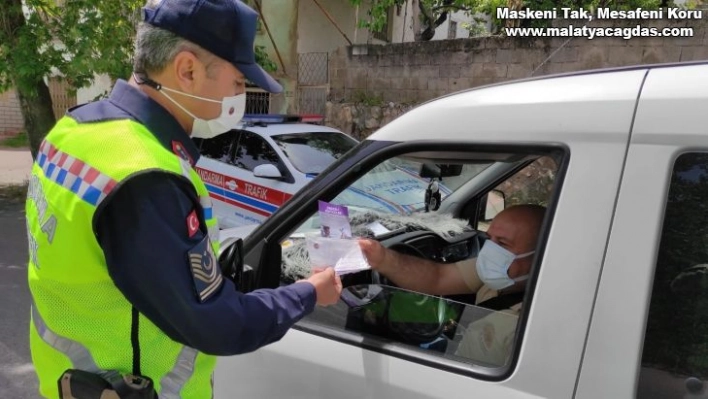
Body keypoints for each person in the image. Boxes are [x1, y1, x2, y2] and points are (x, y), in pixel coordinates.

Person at [26, 1, 341, 398]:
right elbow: (218, 324)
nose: (242, 95)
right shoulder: (145, 178)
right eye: (240, 82)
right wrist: (309, 292)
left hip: (67, 380)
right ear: (187, 70)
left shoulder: (74, 129)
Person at [359, 204, 545, 365]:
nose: (490, 251)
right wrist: (383, 259)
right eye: (489, 239)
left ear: (540, 256)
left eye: (503, 244)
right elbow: (438, 278)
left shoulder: (537, 329)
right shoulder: (497, 274)